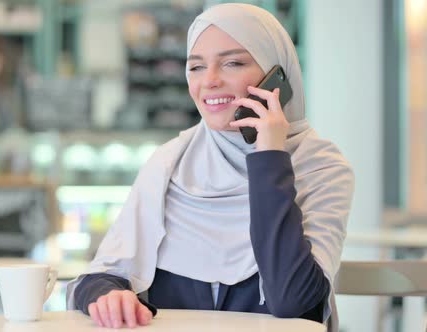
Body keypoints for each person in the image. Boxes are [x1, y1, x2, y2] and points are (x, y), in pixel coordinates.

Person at [66, 3, 354, 332]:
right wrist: (109, 297)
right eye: (196, 67)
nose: (210, 81)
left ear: (278, 75)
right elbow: (95, 280)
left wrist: (269, 157)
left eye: (232, 63)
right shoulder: (170, 163)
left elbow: (293, 301)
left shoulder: (322, 169)